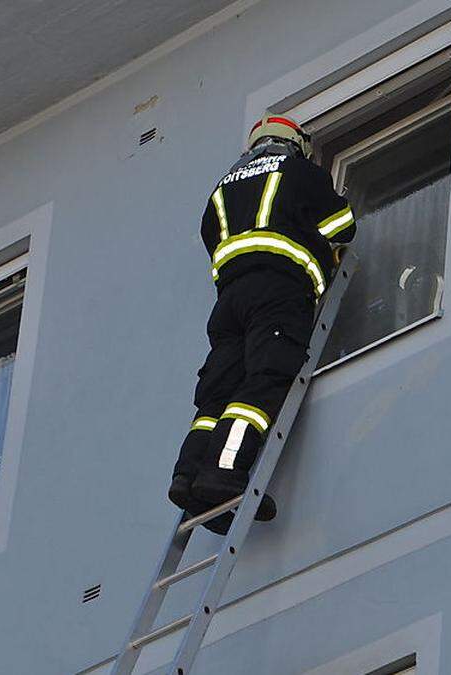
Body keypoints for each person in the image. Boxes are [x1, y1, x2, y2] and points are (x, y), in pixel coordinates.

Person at [167, 115, 355, 534]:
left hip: (229, 303)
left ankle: (188, 475)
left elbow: (212, 240)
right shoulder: (299, 172)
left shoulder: (220, 191)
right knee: (264, 383)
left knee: (217, 394)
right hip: (279, 292)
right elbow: (343, 227)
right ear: (296, 144)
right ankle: (223, 474)